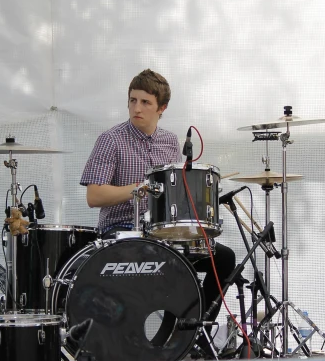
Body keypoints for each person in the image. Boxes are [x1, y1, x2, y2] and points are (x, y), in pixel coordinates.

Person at [80, 69, 236, 335]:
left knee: (224, 258)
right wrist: (138, 189)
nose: (136, 108)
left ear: (161, 108)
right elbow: (94, 196)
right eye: (132, 100)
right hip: (121, 231)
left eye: (145, 102)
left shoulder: (169, 141)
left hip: (163, 234)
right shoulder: (110, 140)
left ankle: (190, 333)